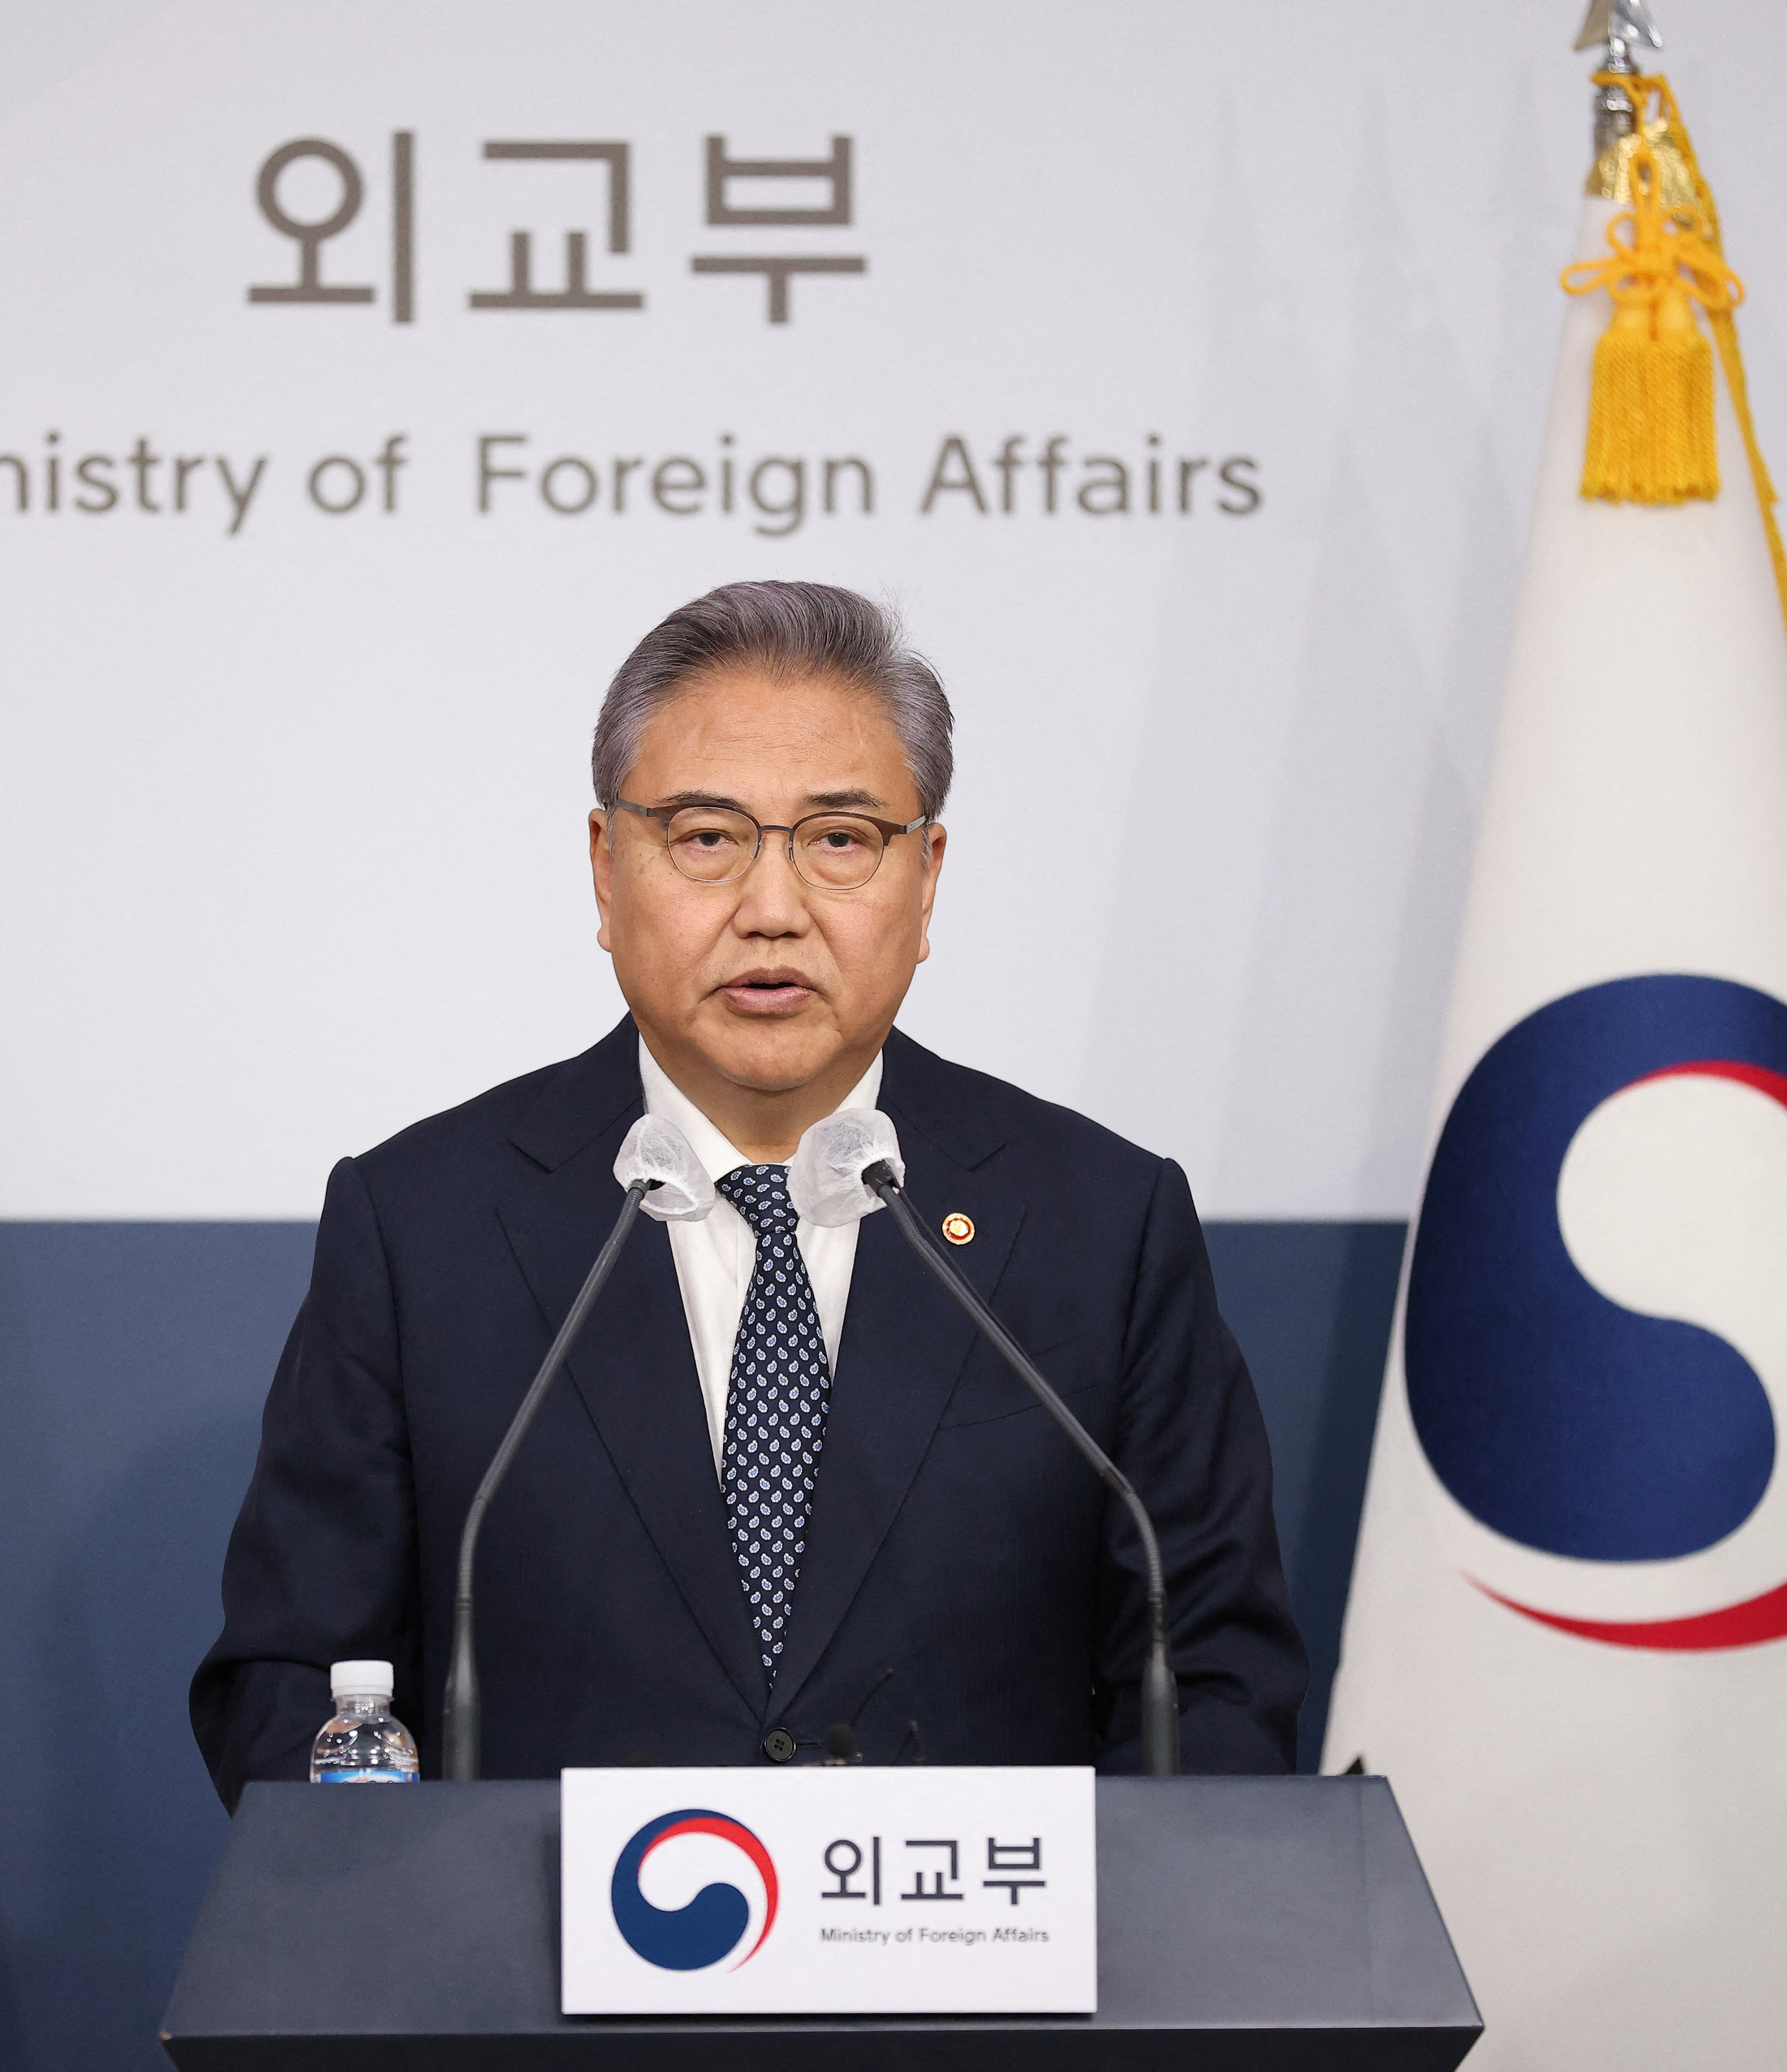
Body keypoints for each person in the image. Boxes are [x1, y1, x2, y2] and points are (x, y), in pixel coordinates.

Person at [192, 581, 1302, 1801]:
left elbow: (1210, 1683)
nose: (772, 911)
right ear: (607, 872)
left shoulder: (1102, 1224)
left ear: (925, 880)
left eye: (839, 840)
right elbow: (294, 1686)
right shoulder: (422, 1228)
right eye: (707, 837)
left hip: (976, 1986)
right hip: (527, 1983)